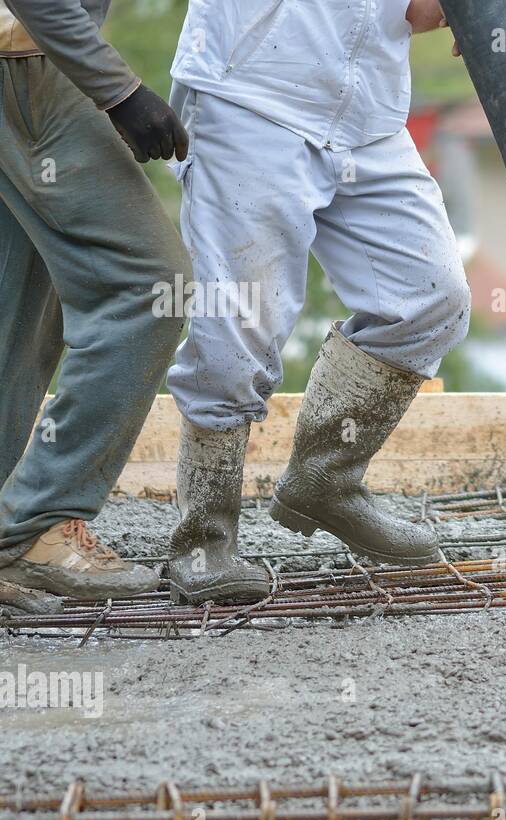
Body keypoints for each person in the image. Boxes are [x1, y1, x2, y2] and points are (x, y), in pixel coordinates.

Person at [163, 0, 472, 604]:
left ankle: (324, 478)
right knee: (237, 331)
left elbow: (411, 9)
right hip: (251, 98)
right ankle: (203, 537)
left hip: (365, 112)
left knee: (431, 296)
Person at [0, 0, 191, 607]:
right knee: (147, 288)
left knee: (20, 309)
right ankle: (35, 525)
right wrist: (119, 91)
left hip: (31, 62)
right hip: (25, 66)